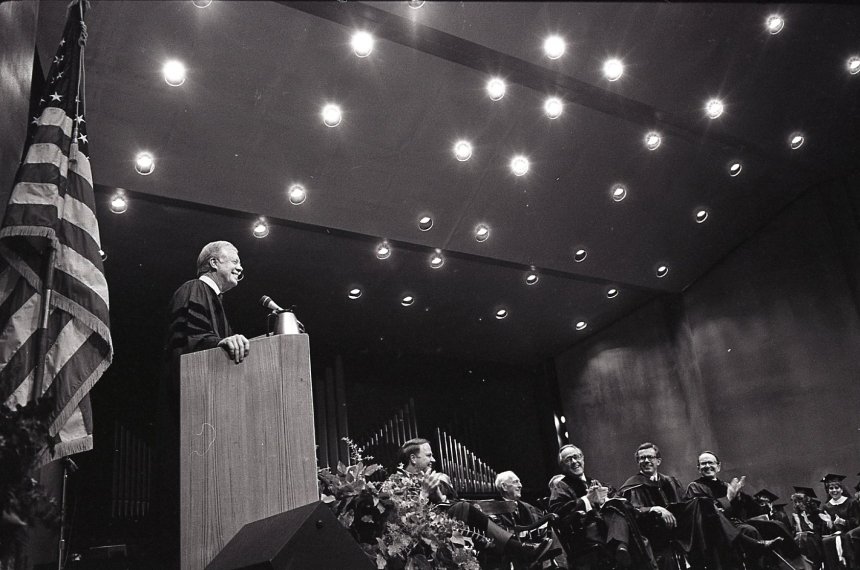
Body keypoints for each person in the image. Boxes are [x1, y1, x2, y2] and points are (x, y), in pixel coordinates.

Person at [155, 241, 250, 569]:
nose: (240, 266)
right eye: (234, 260)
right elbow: (186, 342)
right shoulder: (194, 290)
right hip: (191, 418)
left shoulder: (217, 304)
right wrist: (218, 343)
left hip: (212, 420)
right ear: (213, 261)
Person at [397, 438, 554, 569]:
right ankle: (521, 552)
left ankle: (517, 554)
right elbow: (404, 521)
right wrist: (424, 493)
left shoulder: (428, 479)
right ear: (413, 458)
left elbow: (442, 506)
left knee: (483, 534)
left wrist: (439, 497)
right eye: (429, 455)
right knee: (463, 507)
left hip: (447, 529)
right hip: (421, 538)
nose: (434, 460)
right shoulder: (395, 483)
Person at [549, 444, 657, 569]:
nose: (574, 462)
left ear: (582, 458)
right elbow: (558, 513)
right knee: (639, 540)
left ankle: (621, 546)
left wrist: (605, 500)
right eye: (568, 459)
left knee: (618, 506)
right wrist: (586, 500)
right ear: (563, 466)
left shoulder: (595, 482)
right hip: (586, 533)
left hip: (608, 528)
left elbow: (620, 499)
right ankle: (621, 546)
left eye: (576, 457)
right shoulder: (561, 487)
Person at [685, 451, 784, 569]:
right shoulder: (695, 486)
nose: (707, 466)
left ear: (718, 466)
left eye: (710, 463)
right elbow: (707, 511)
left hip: (733, 525)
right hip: (712, 531)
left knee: (769, 527)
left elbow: (739, 512)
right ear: (698, 468)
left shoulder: (726, 486)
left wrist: (738, 497)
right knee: (747, 531)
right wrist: (728, 498)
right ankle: (758, 547)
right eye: (703, 464)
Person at [819, 474, 860, 570]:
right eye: (831, 488)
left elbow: (857, 520)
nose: (834, 490)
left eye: (836, 488)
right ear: (828, 491)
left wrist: (843, 522)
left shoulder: (851, 502)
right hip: (835, 534)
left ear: (841, 489)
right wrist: (829, 523)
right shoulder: (826, 507)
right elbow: (827, 529)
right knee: (826, 541)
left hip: (850, 532)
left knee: (845, 538)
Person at [790, 487, 825, 569]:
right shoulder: (796, 516)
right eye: (796, 502)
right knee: (798, 539)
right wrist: (798, 522)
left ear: (807, 501)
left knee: (808, 539)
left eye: (800, 501)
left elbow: (820, 529)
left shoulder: (816, 512)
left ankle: (815, 565)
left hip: (815, 538)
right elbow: (796, 532)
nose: (798, 504)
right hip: (802, 540)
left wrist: (807, 520)